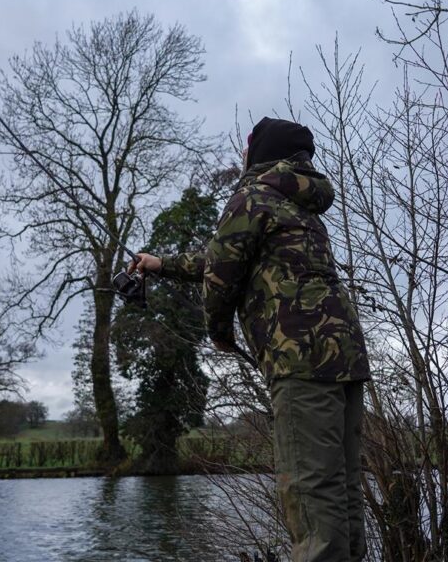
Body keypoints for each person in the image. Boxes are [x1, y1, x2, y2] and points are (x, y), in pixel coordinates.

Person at [130, 116, 371, 562]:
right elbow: (223, 254)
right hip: (346, 358)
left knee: (311, 492)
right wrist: (161, 264)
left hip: (301, 363)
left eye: (247, 149)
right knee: (342, 487)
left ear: (260, 153)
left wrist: (219, 333)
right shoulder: (298, 204)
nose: (242, 157)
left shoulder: (253, 196)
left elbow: (221, 275)